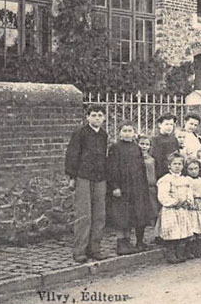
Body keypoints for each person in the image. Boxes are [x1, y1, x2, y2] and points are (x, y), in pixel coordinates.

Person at [64, 104, 109, 262]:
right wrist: (72, 177)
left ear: (104, 118)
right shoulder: (80, 133)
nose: (97, 118)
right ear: (88, 117)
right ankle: (79, 251)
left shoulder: (103, 134)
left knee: (99, 215)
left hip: (100, 178)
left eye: (100, 115)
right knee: (84, 215)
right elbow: (72, 155)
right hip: (83, 177)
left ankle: (94, 248)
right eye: (94, 115)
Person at [106, 121, 154, 255]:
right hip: (122, 186)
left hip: (137, 186)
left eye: (130, 131)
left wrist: (143, 186)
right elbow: (111, 168)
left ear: (134, 133)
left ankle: (130, 241)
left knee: (133, 213)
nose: (127, 134)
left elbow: (141, 168)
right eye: (125, 131)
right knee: (121, 214)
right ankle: (121, 242)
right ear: (120, 133)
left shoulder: (136, 147)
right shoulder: (115, 147)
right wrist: (114, 186)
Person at [156, 153, 194, 264]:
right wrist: (174, 202)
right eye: (174, 164)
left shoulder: (185, 180)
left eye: (180, 164)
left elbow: (189, 193)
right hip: (171, 210)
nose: (177, 166)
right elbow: (163, 196)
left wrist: (188, 201)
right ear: (169, 166)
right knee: (172, 231)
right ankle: (170, 253)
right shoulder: (166, 180)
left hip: (182, 209)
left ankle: (180, 253)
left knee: (182, 230)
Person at [137, 135, 159, 225]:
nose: (144, 146)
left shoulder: (152, 159)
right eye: (142, 144)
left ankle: (155, 233)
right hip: (140, 188)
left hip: (151, 188)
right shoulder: (135, 158)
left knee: (154, 209)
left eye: (147, 144)